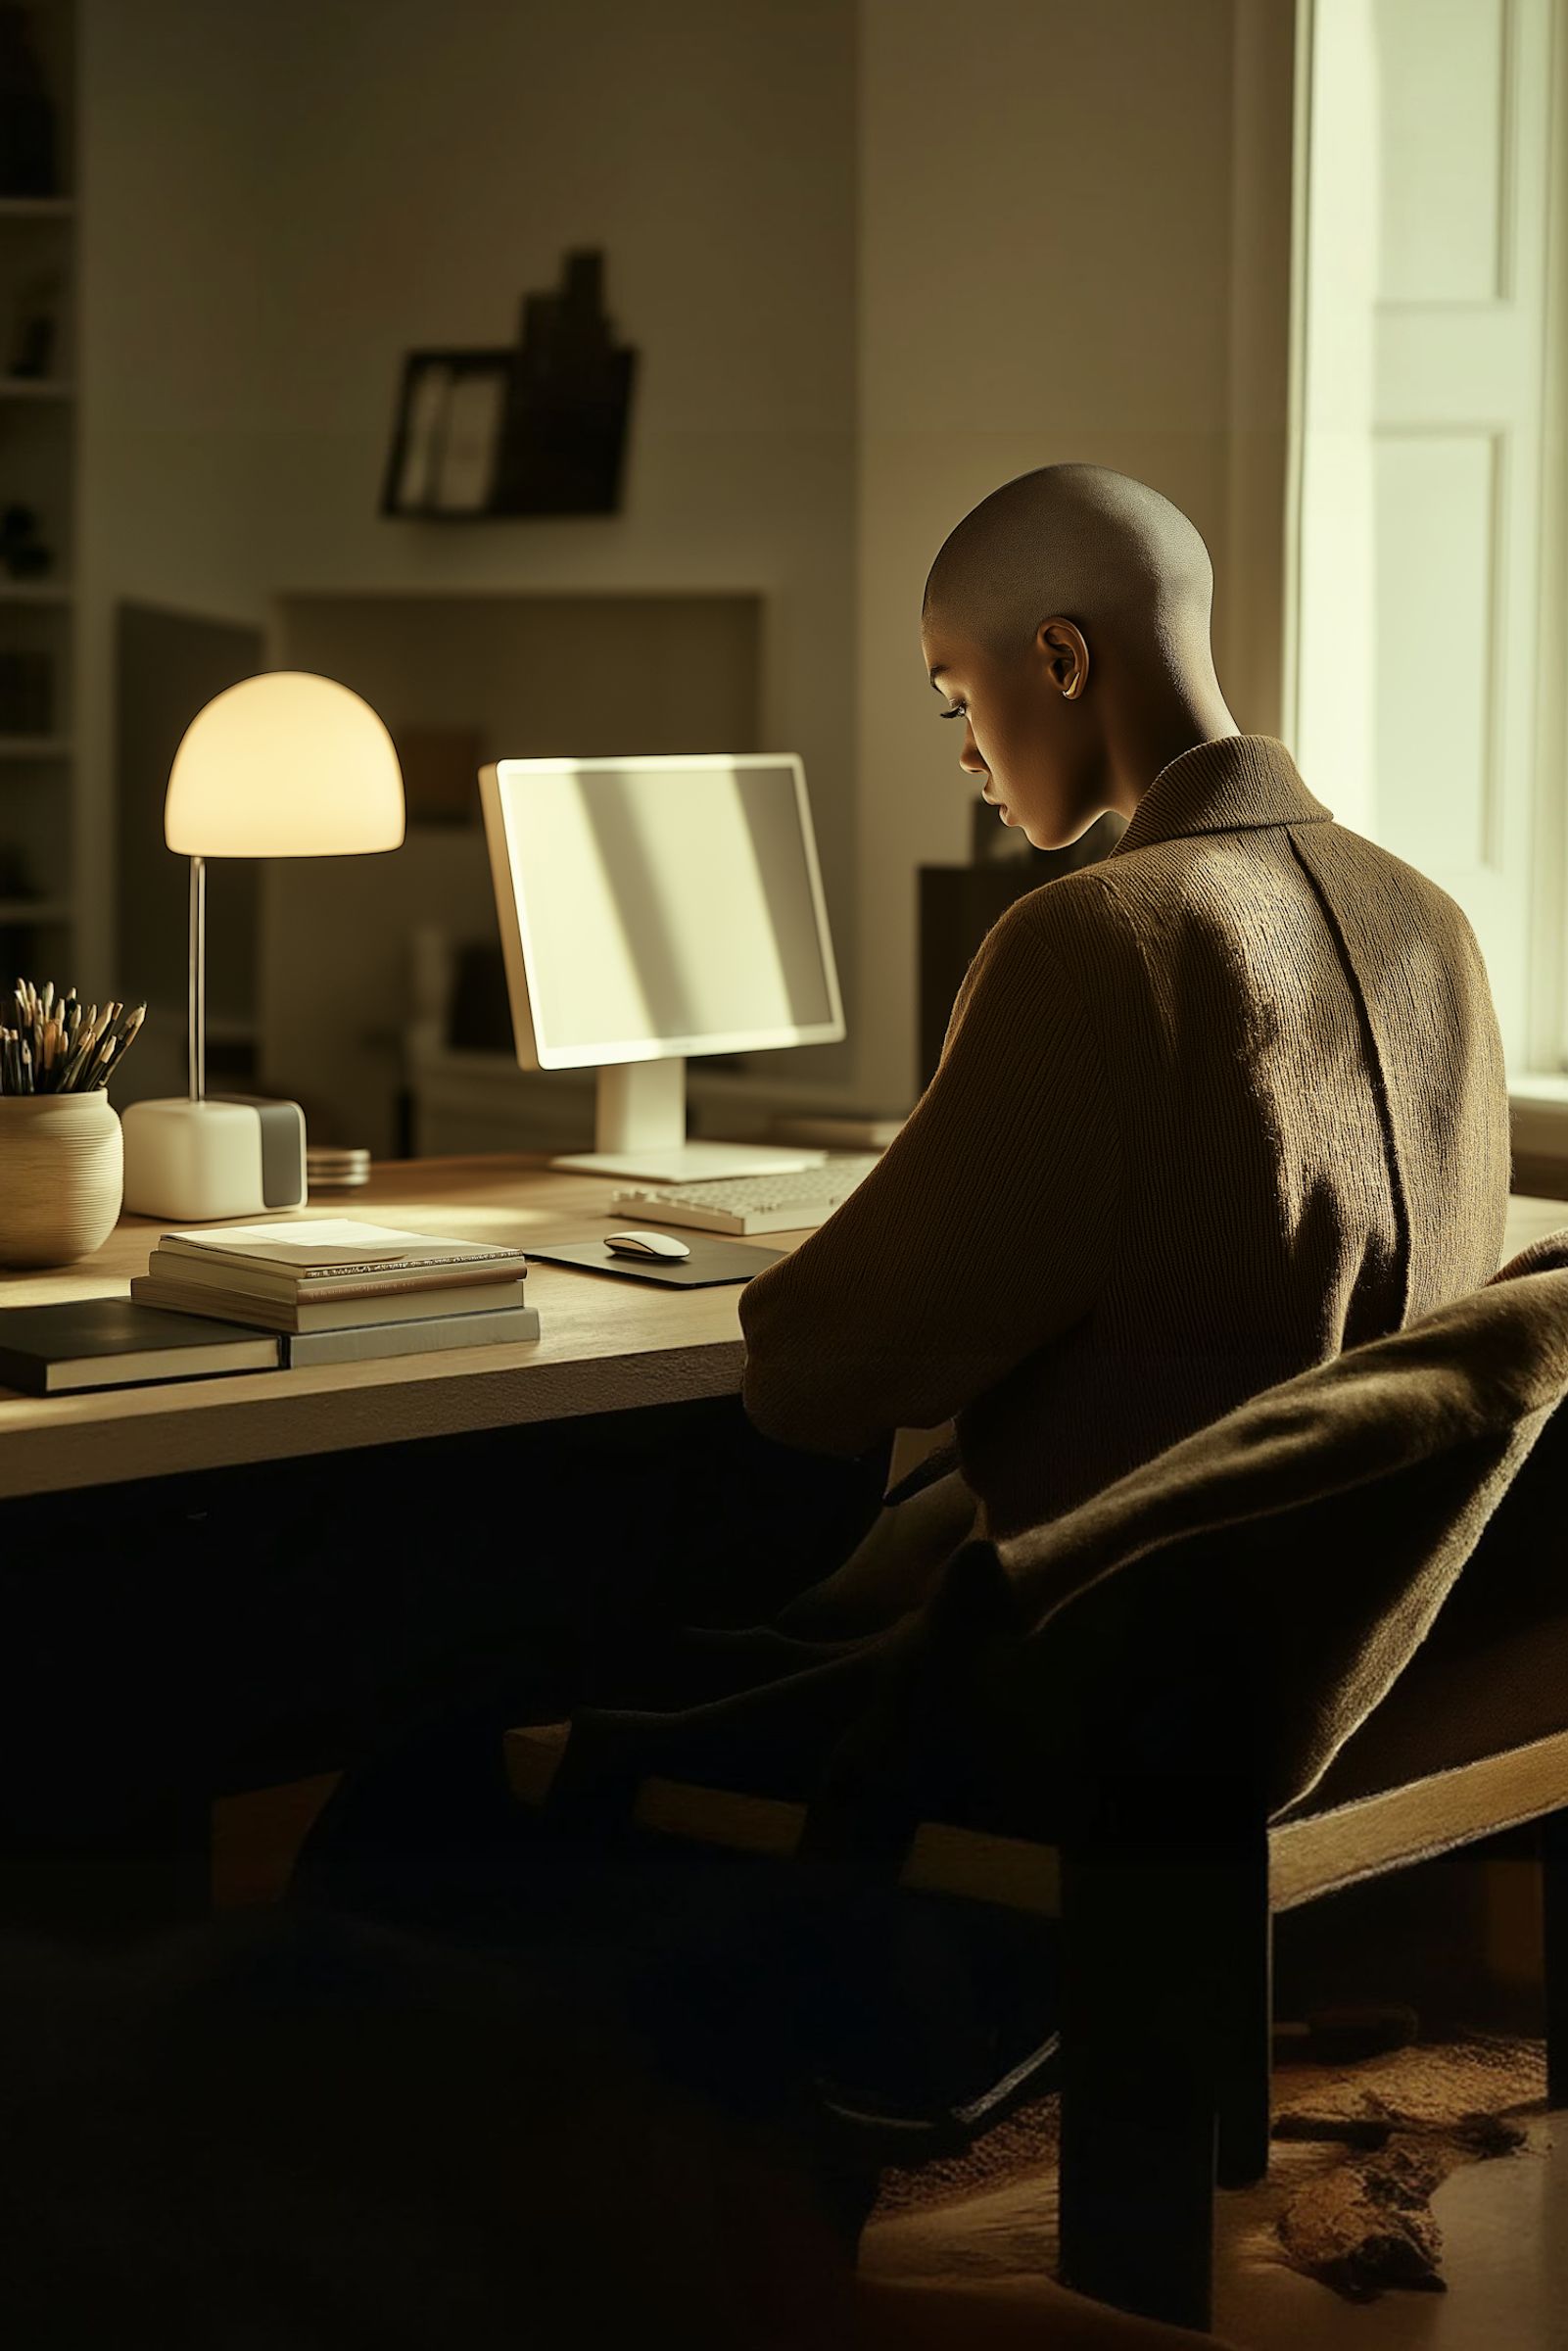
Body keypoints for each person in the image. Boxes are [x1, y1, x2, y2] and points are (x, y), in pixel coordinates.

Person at [737, 461, 1510, 1633]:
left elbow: (816, 1373)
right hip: (1351, 1661)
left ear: (1059, 659)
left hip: (1100, 1698)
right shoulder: (1431, 923)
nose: (961, 755)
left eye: (956, 701)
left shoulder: (1091, 940)